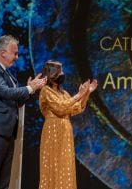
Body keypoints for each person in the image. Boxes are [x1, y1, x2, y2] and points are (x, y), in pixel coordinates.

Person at [0, 35, 47, 189]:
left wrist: (30, 91)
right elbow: (5, 92)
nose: (17, 57)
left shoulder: (8, 75)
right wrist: (30, 88)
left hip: (6, 132)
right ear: (2, 53)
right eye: (14, 53)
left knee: (3, 182)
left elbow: (16, 101)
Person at [38, 60, 97, 189]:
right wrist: (79, 94)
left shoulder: (64, 93)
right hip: (52, 133)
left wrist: (87, 93)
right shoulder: (46, 91)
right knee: (53, 166)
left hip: (65, 133)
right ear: (52, 74)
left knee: (65, 167)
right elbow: (60, 108)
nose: (63, 74)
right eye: (60, 72)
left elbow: (76, 108)